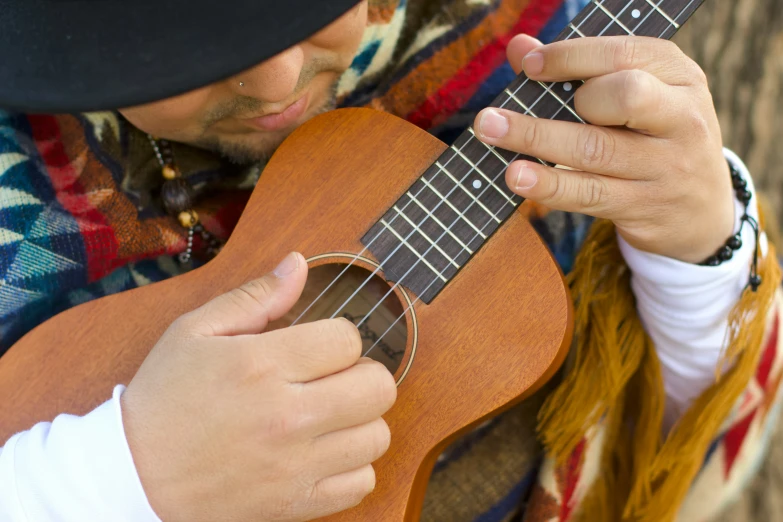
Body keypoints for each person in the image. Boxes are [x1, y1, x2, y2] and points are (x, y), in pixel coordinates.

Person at [0, 0, 780, 521]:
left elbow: (652, 438)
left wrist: (696, 244)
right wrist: (120, 475)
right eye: (182, 40)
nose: (277, 78)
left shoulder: (520, 33)